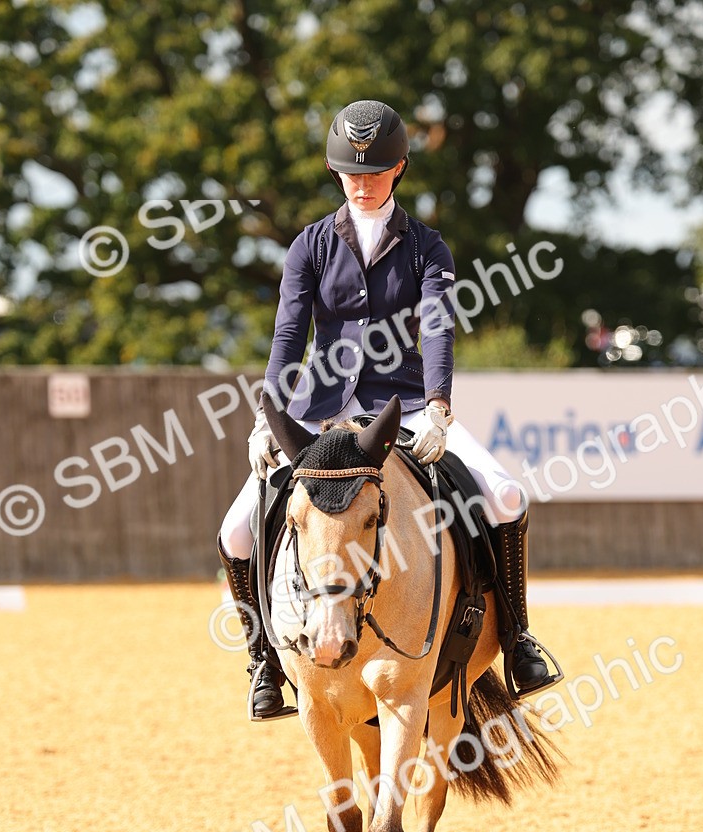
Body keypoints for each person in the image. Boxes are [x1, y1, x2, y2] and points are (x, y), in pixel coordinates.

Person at [218, 99, 559, 720]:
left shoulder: (428, 247)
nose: (363, 181)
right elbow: (289, 335)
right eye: (352, 172)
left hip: (400, 411)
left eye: (375, 171)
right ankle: (264, 662)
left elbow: (437, 328)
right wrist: (267, 417)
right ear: (335, 171)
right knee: (236, 532)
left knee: (507, 495)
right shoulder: (310, 246)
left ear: (398, 168)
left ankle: (517, 641)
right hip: (319, 415)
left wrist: (436, 407)